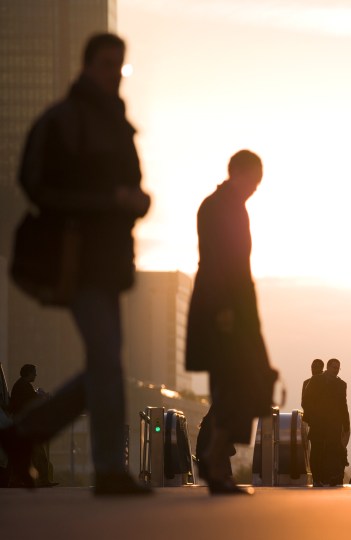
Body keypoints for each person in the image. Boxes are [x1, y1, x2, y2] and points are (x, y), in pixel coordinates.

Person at [0, 33, 151, 495]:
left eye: (119, 65)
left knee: (105, 367)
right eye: (106, 63)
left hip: (109, 262)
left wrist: (136, 202)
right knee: (106, 361)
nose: (113, 73)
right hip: (77, 259)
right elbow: (34, 183)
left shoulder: (118, 125)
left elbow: (132, 188)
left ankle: (22, 435)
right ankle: (108, 470)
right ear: (86, 66)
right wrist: (107, 201)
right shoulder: (62, 120)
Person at [185, 149, 277, 495]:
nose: (255, 188)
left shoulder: (229, 206)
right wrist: (225, 309)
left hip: (233, 306)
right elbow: (219, 261)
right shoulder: (219, 207)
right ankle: (214, 458)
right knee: (236, 381)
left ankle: (215, 457)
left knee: (237, 382)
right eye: (253, 180)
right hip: (224, 308)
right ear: (237, 172)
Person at [8, 365, 57, 487]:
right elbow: (33, 401)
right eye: (34, 373)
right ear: (28, 373)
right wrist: (44, 397)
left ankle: (15, 480)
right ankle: (43, 480)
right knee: (39, 454)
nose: (35, 375)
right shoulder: (24, 386)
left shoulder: (21, 385)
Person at [311, 358, 349, 486]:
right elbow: (306, 400)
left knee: (332, 451)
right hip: (318, 422)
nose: (336, 370)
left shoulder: (341, 384)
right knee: (317, 450)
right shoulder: (316, 380)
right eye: (334, 367)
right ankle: (317, 479)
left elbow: (343, 405)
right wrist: (312, 418)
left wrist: (346, 424)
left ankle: (328, 478)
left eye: (338, 368)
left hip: (334, 424)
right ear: (327, 367)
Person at [301, 358, 325, 486]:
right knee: (316, 450)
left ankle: (324, 477)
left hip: (326, 421)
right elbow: (304, 402)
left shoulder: (327, 382)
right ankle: (317, 478)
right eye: (312, 366)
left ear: (322, 368)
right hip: (315, 422)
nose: (314, 369)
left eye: (317, 367)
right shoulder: (307, 383)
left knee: (324, 450)